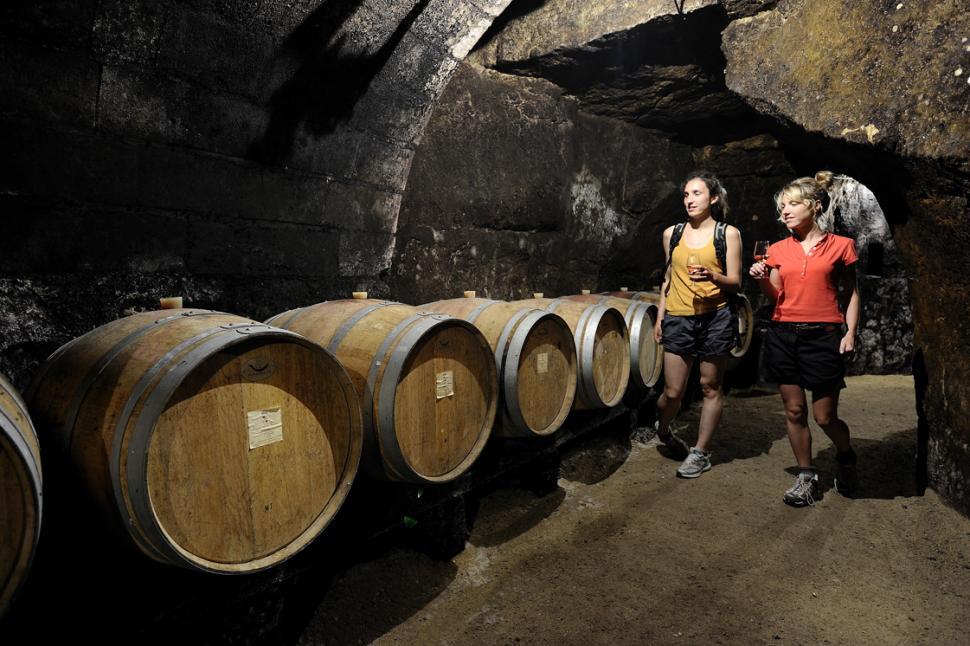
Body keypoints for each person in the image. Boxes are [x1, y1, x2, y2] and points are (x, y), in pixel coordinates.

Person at [749, 171, 860, 507]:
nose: (785, 210)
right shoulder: (778, 249)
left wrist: (851, 331)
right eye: (782, 206)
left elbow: (852, 292)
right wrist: (761, 280)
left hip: (824, 335)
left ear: (814, 206)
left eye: (792, 204)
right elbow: (776, 296)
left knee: (824, 416)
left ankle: (846, 453)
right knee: (795, 410)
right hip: (783, 333)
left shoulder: (842, 246)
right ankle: (806, 476)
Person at [653, 172, 742, 478]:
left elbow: (734, 282)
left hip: (715, 317)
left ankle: (700, 452)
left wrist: (712, 276)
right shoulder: (672, 234)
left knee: (709, 386)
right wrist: (661, 316)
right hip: (678, 316)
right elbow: (667, 279)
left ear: (713, 198)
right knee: (673, 391)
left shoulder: (727, 234)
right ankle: (663, 428)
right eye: (686, 195)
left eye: (697, 194)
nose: (689, 200)